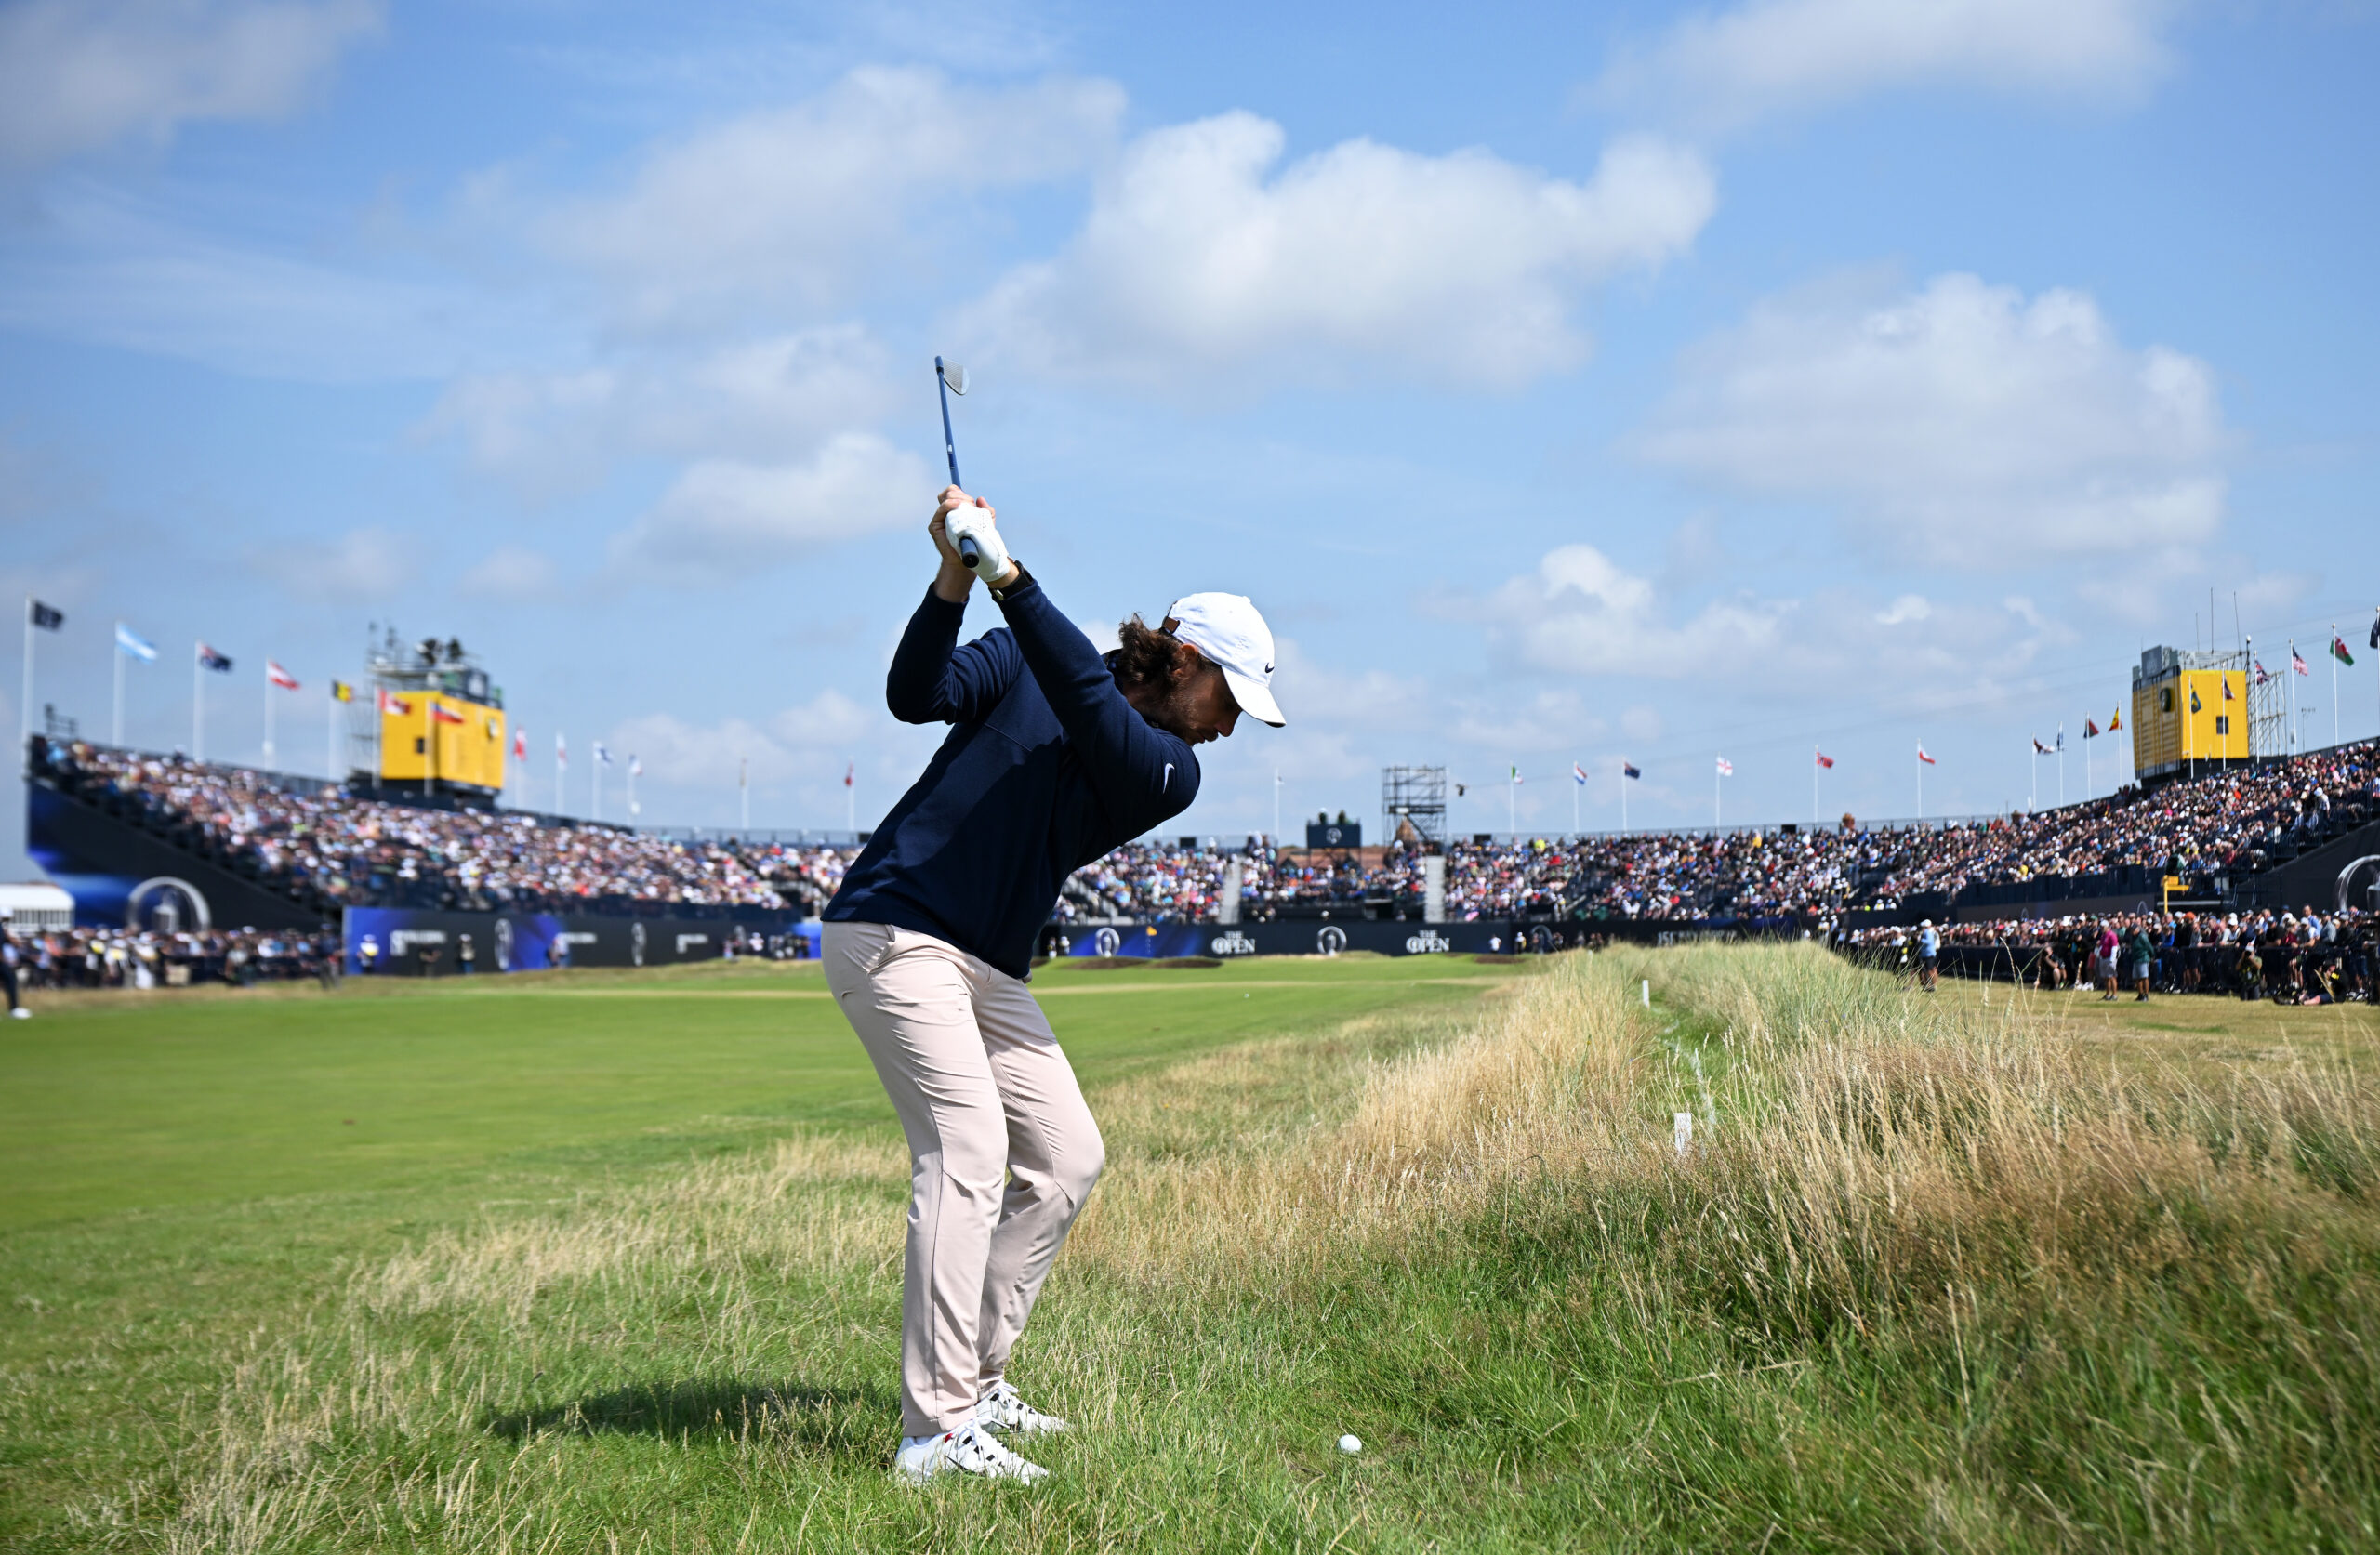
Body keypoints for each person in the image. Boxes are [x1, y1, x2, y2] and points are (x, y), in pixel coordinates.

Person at [823, 485, 1281, 1485]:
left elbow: (1084, 701)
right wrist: (955, 573)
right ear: (1189, 663)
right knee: (969, 1150)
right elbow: (915, 692)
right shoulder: (1022, 656)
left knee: (1069, 1156)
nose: (1229, 729)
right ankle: (933, 1433)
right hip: (894, 929)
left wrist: (1010, 577)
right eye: (1229, 701)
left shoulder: (1165, 769)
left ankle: (976, 1382)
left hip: (987, 963)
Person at [1917, 918, 1940, 993]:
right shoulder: (1926, 932)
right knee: (1924, 971)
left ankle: (1933, 986)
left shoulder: (1928, 932)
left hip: (1929, 954)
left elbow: (1930, 942)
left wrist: (1920, 940)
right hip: (1925, 954)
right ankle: (1926, 986)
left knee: (1931, 970)